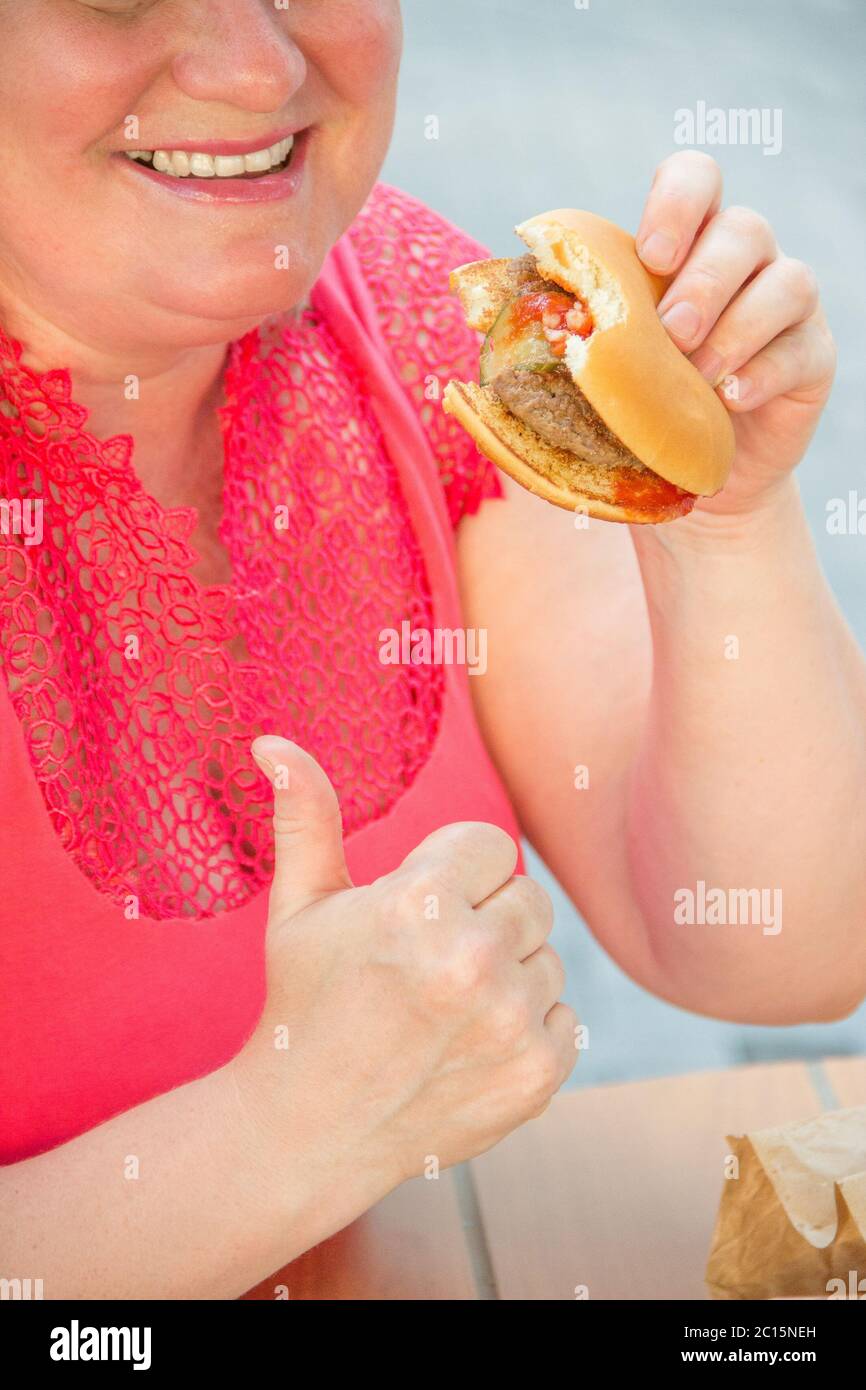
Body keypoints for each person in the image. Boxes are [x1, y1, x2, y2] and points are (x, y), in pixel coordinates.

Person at [0, 1, 863, 1299]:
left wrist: (721, 521)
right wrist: (286, 1129)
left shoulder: (422, 314)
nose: (254, 64)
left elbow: (774, 945)